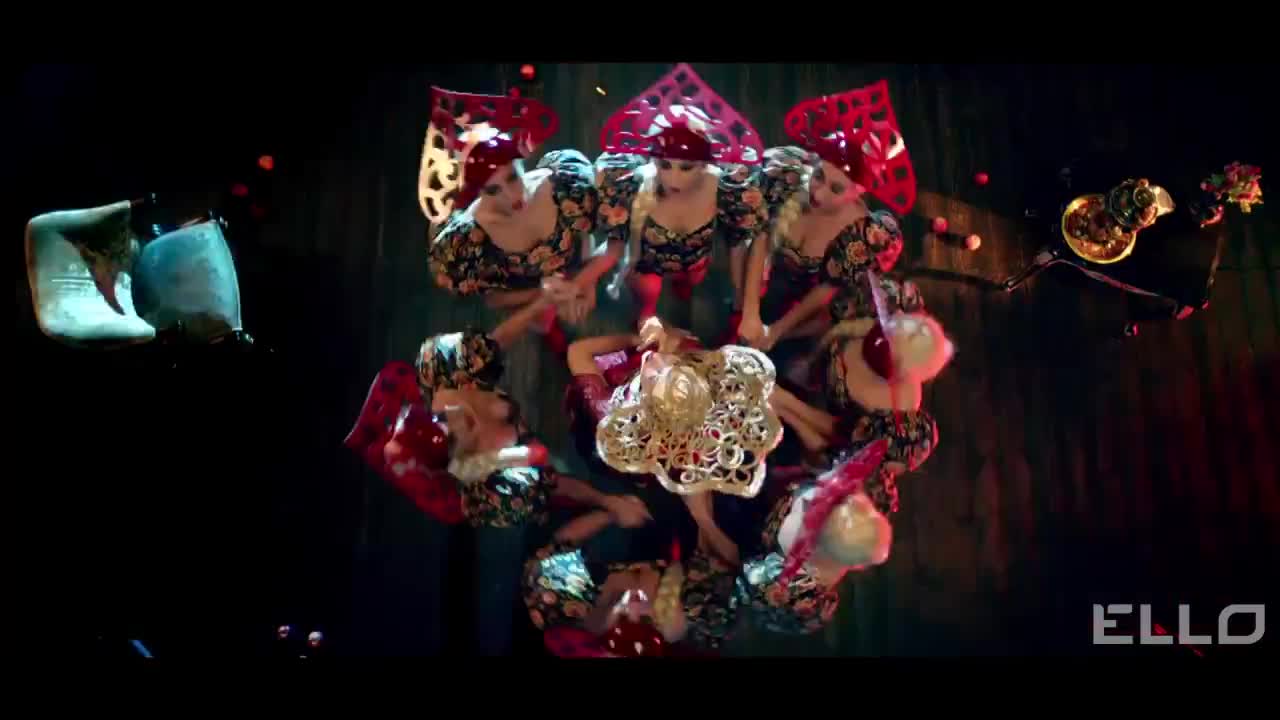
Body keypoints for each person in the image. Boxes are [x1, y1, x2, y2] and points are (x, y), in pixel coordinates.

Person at [419, 86, 615, 351]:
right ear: (475, 193)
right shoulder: (469, 239)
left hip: (577, 268)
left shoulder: (563, 185)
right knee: (544, 328)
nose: (512, 196)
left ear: (521, 161)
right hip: (528, 294)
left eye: (512, 177)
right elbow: (493, 299)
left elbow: (585, 230)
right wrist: (543, 296)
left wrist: (585, 283)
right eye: (492, 190)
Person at [737, 81, 919, 351]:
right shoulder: (786, 178)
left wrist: (775, 332)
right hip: (770, 272)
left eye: (836, 188)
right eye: (819, 176)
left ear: (858, 191)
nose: (818, 194)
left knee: (842, 314)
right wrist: (750, 312)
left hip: (811, 301)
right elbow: (760, 238)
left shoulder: (862, 235)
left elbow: (826, 290)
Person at [594, 63, 768, 331]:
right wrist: (582, 282)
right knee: (645, 297)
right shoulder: (631, 183)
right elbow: (614, 246)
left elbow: (746, 240)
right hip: (646, 268)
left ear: (706, 164)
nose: (674, 180)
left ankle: (687, 285)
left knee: (699, 287)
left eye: (686, 168)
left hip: (697, 265)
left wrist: (747, 308)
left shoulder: (728, 188)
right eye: (665, 166)